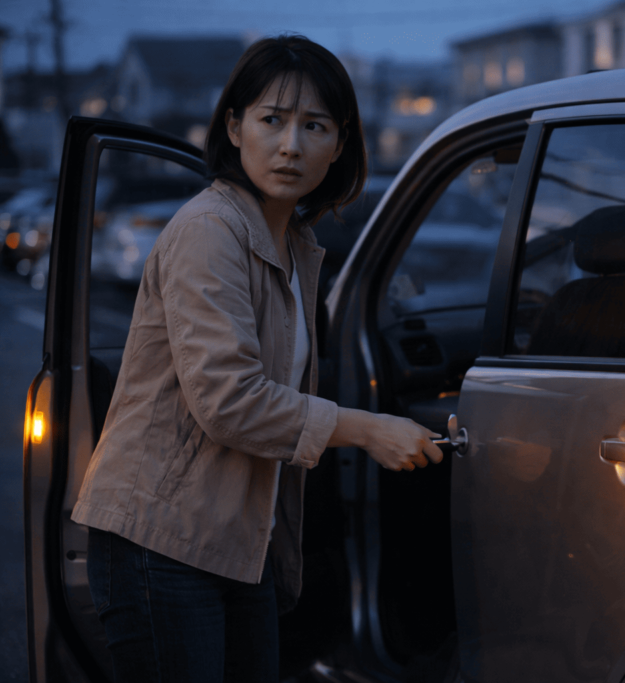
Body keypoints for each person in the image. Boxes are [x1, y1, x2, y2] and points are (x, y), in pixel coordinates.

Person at [70, 35, 443, 683]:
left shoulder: (296, 243)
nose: (292, 144)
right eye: (272, 120)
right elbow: (230, 401)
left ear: (341, 141)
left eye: (314, 126)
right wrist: (368, 429)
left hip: (242, 539)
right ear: (236, 127)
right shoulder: (210, 230)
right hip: (160, 538)